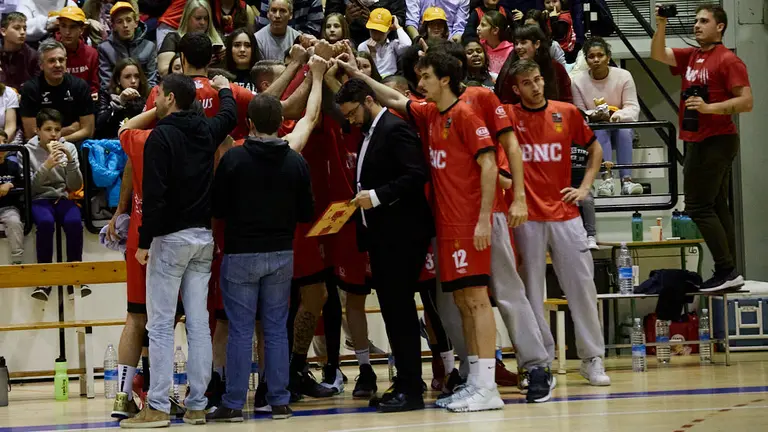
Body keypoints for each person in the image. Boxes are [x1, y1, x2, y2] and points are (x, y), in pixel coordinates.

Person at [337, 50, 503, 412]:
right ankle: (475, 380)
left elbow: (489, 163)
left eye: (426, 76)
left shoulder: (464, 113)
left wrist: (483, 218)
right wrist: (357, 73)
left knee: (476, 300)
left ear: (444, 78)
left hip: (467, 221)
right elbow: (396, 97)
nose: (420, 83)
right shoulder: (431, 113)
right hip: (446, 223)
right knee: (461, 303)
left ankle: (488, 385)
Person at [205, 54, 326, 423]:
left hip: (241, 253)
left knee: (241, 330)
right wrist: (316, 77)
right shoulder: (294, 158)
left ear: (251, 122)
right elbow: (307, 212)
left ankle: (233, 402)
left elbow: (218, 209)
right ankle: (278, 401)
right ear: (278, 122)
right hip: (281, 254)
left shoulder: (235, 158)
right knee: (275, 329)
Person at [118, 72, 237, 429]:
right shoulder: (205, 131)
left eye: (160, 97)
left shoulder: (160, 137)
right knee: (200, 323)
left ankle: (156, 405)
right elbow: (229, 115)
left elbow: (155, 197)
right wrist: (225, 88)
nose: (155, 102)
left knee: (160, 326)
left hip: (169, 240)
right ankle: (198, 405)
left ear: (169, 98)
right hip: (203, 238)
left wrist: (142, 243)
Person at [503, 58, 610, 387]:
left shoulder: (568, 111)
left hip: (565, 213)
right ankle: (539, 364)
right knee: (531, 294)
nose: (535, 87)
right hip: (526, 217)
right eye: (527, 83)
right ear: (515, 88)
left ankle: (592, 359)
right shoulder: (507, 116)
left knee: (582, 288)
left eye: (538, 80)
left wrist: (585, 188)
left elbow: (595, 150)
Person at [335, 77, 433, 412]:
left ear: (367, 100)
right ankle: (405, 381)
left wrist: (376, 197)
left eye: (351, 113)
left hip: (403, 234)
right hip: (382, 236)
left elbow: (417, 174)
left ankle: (412, 388)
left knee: (401, 311)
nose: (350, 121)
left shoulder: (394, 128)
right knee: (394, 311)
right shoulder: (371, 131)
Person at [651, 3, 752, 292]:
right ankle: (730, 270)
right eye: (695, 21)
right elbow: (658, 54)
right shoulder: (692, 56)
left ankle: (726, 269)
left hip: (717, 139)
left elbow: (746, 102)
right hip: (694, 138)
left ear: (719, 27)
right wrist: (661, 25)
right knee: (717, 205)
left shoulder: (728, 60)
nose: (697, 25)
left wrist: (710, 108)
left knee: (697, 205)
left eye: (704, 21)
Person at [25, 108, 84, 301]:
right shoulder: (26, 150)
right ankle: (44, 281)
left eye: (57, 130)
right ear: (37, 130)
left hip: (62, 197)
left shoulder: (70, 147)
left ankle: (75, 279)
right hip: (39, 199)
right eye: (48, 129)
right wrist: (47, 166)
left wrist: (71, 162)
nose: (53, 134)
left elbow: (75, 185)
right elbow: (30, 189)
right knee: (45, 223)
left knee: (75, 222)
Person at [571, 37, 641, 196]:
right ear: (587, 59)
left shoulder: (624, 76)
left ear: (608, 57)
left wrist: (616, 115)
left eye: (600, 55)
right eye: (591, 56)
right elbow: (579, 112)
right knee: (601, 130)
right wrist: (595, 115)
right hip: (596, 127)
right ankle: (606, 179)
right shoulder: (577, 81)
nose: (596, 60)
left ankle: (627, 180)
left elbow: (633, 107)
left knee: (623, 131)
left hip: (621, 123)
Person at [20, 39, 95, 144]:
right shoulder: (30, 89)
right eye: (51, 61)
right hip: (40, 146)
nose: (58, 65)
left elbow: (88, 131)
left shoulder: (79, 86)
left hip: (74, 143)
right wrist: (68, 130)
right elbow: (31, 133)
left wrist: (61, 139)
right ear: (41, 65)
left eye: (61, 60)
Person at [495, 24, 571, 105]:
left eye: (523, 42)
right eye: (516, 43)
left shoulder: (556, 68)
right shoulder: (512, 70)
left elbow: (567, 101)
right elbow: (506, 102)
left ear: (537, 44)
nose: (518, 47)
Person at [98, 2, 158, 92]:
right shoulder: (105, 49)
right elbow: (106, 84)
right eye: (120, 22)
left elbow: (152, 81)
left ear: (136, 23)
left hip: (144, 98)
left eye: (129, 20)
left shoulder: (149, 47)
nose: (125, 25)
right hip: (116, 100)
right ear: (113, 26)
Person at [157, 0, 225, 74]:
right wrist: (200, 64)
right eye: (198, 18)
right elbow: (164, 71)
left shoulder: (216, 40)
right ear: (187, 18)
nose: (202, 22)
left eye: (206, 18)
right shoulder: (173, 38)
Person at [96, 58, 150, 138]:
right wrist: (120, 102)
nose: (133, 81)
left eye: (137, 76)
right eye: (127, 77)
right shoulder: (106, 94)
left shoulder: (147, 95)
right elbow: (100, 125)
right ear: (118, 80)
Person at [55, 6, 100, 100]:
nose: (67, 32)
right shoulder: (50, 52)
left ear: (82, 30)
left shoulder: (92, 54)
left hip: (84, 102)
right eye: (63, 26)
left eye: (73, 27)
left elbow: (94, 86)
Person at [357, 8, 411, 78]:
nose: (376, 35)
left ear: (389, 30)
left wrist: (397, 26)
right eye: (373, 30)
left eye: (381, 31)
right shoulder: (363, 46)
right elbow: (368, 72)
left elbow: (407, 45)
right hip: (373, 79)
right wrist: (372, 54)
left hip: (391, 78)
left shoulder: (393, 44)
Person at [0, 131, 24, 265]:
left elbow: (22, 183)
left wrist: (9, 184)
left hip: (8, 207)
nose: (2, 146)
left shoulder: (12, 166)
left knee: (15, 222)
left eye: (4, 142)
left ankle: (17, 261)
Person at [0, 12, 40, 91]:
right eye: (17, 28)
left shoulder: (33, 56)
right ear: (3, 31)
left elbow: (38, 87)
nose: (22, 32)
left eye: (24, 28)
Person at [476, 10, 513, 79]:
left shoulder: (510, 51)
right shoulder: (480, 46)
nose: (478, 28)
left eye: (483, 25)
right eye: (479, 24)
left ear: (495, 30)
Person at [224, 28, 260, 93]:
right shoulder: (222, 78)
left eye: (247, 45)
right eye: (237, 45)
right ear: (230, 49)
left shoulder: (261, 77)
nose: (242, 49)